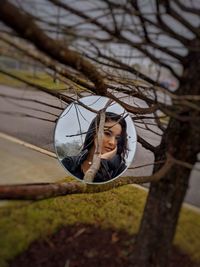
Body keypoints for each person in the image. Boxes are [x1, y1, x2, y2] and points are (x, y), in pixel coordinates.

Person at [61, 112, 128, 183]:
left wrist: (102, 161)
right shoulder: (70, 163)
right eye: (107, 133)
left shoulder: (120, 171)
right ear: (94, 132)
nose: (112, 142)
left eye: (117, 138)